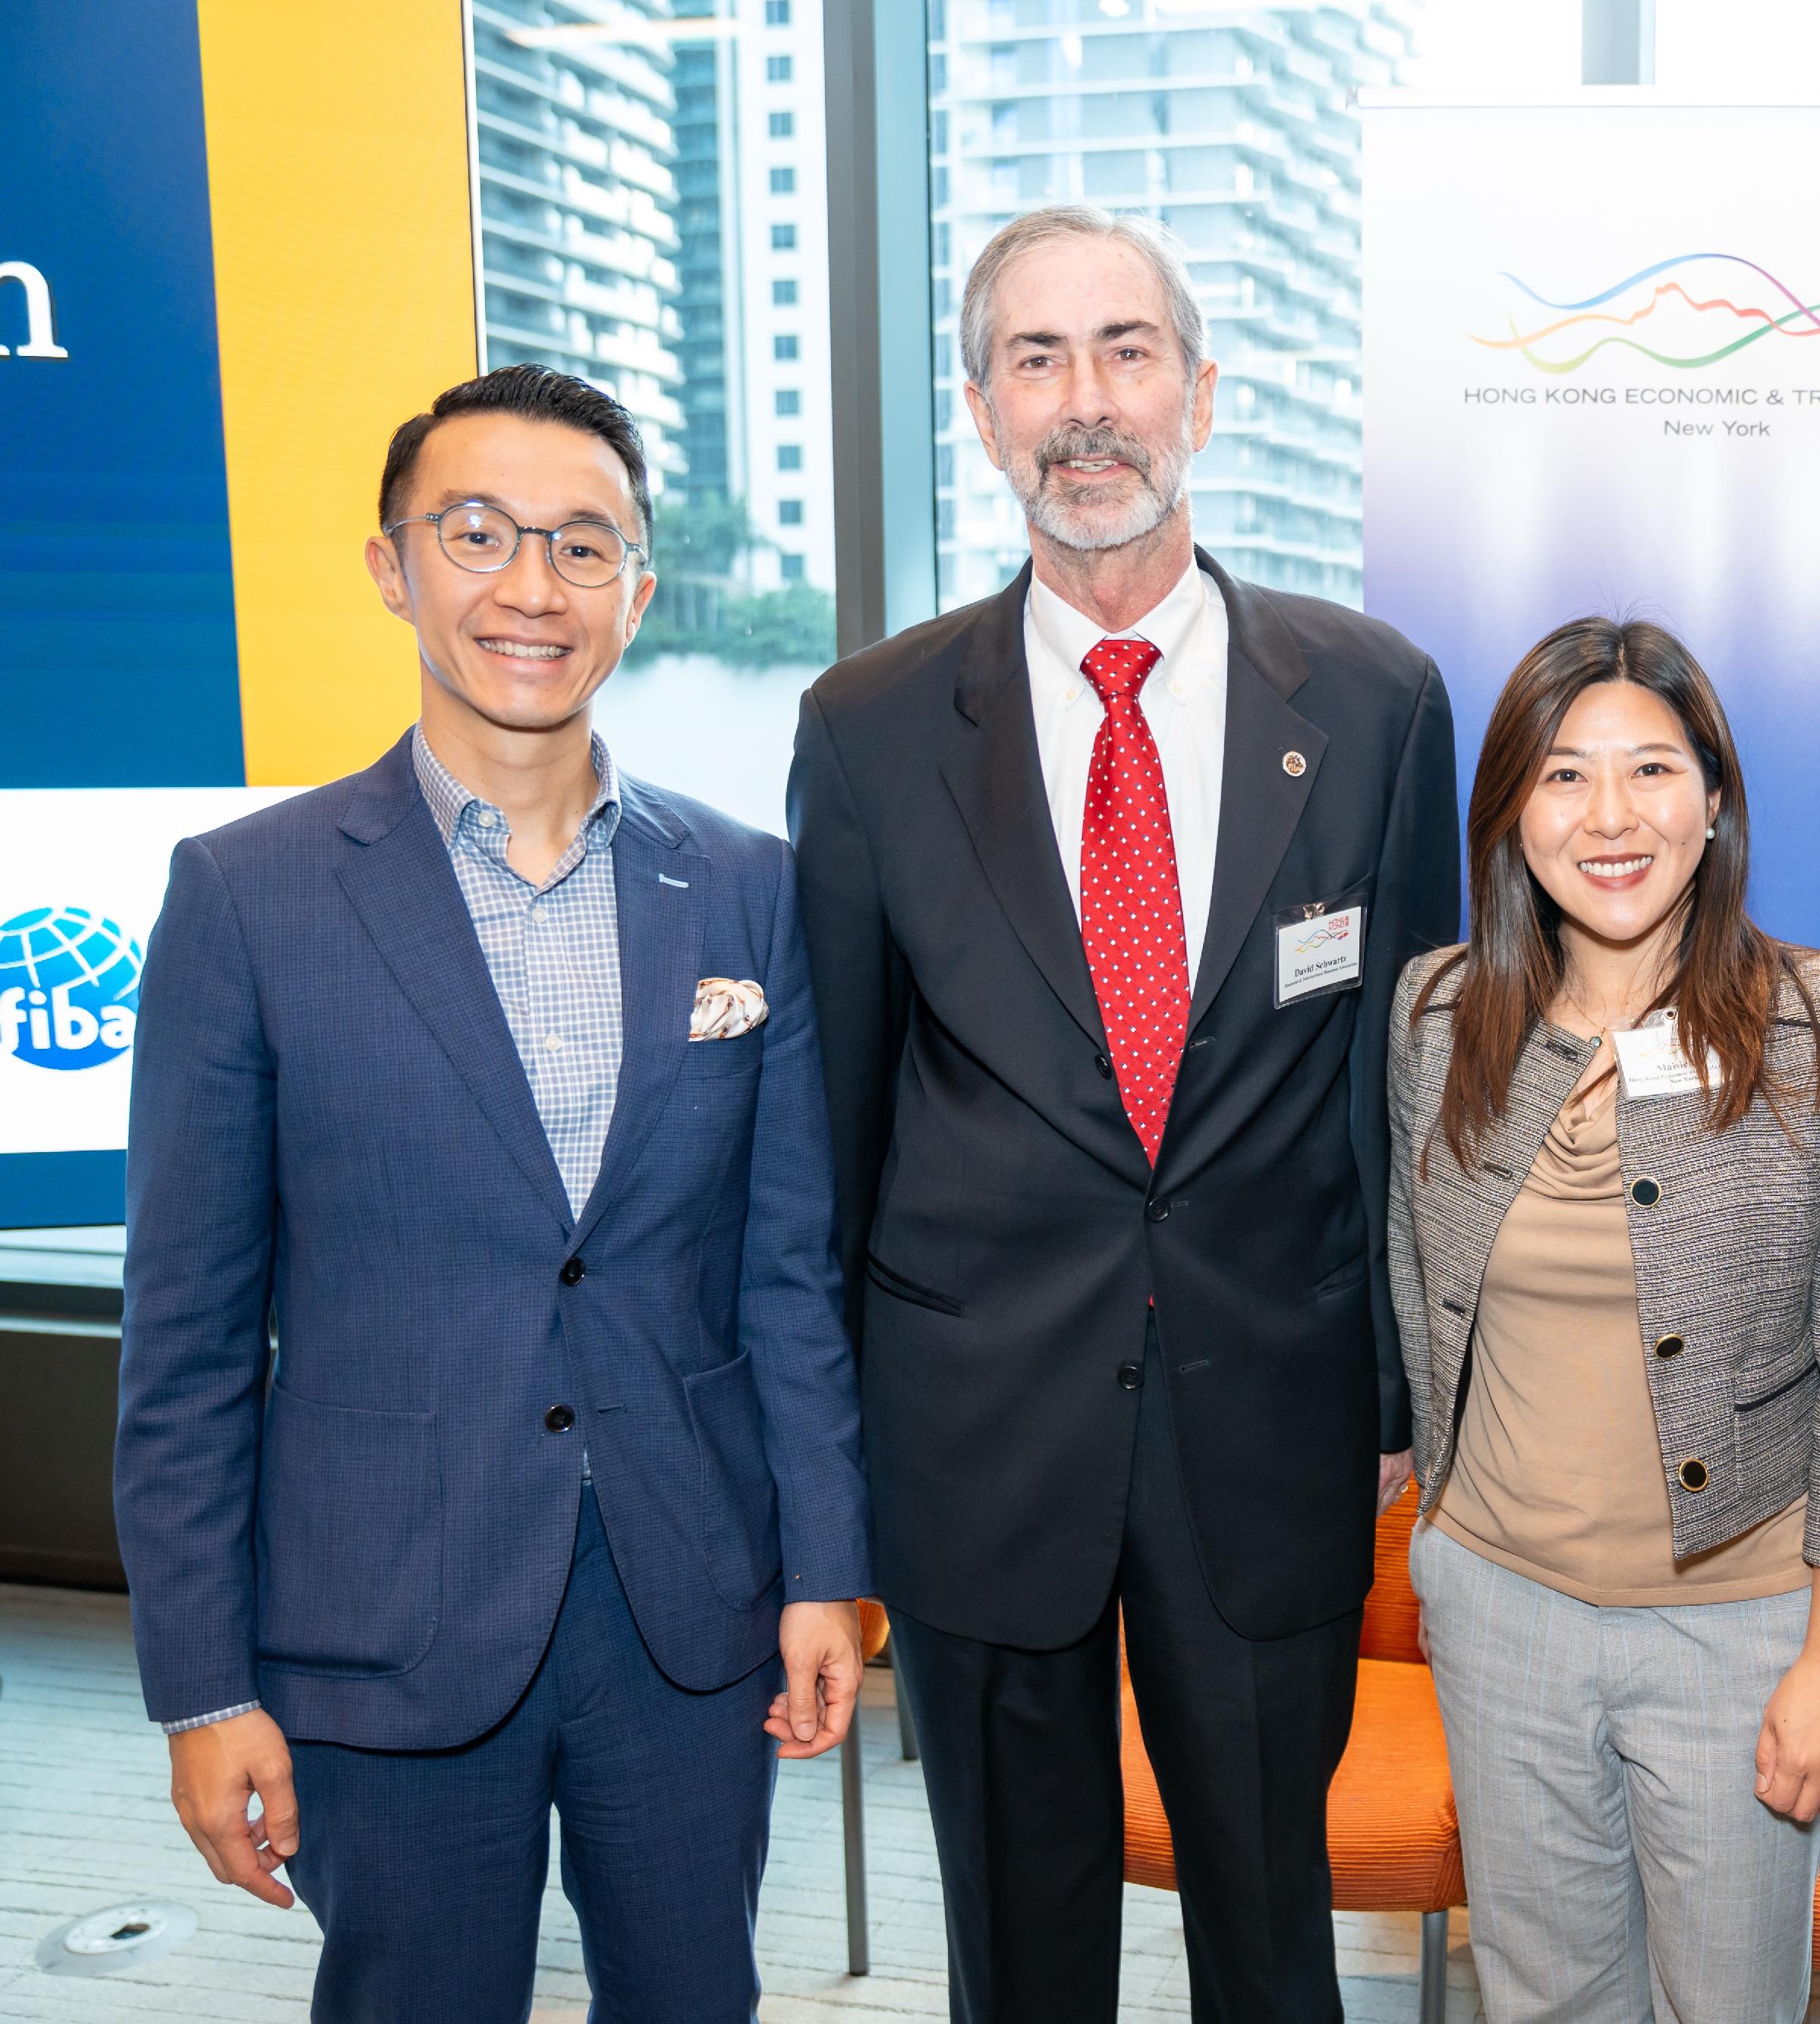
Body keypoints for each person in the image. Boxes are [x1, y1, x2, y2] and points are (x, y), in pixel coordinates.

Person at [113, 364, 873, 2023]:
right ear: (394, 565)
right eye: (479, 534)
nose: (531, 587)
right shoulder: (247, 899)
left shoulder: (744, 886)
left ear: (638, 590)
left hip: (688, 1609)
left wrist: (825, 1564)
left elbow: (785, 1272)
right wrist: (201, 1687)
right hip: (378, 1617)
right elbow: (179, 1342)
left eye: (583, 545)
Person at [786, 204, 1458, 2023]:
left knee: (1271, 1924)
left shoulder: (1380, 702)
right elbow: (834, 1125)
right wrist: (835, 1470)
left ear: (1202, 392)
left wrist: (1394, 1399)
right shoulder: (865, 727)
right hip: (974, 1432)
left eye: (1124, 351)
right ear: (982, 412)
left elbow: (1410, 1096)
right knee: (1019, 1943)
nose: (1086, 404)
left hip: (1271, 1423)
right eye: (1035, 359)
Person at [1385, 617, 1820, 2022]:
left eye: (1652, 770)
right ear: (1513, 813)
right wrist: (1436, 1529)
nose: (1611, 817)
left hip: (1741, 1634)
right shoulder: (1437, 1016)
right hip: (1499, 1613)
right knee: (1545, 2004)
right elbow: (1412, 1265)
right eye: (1565, 777)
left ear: (1715, 799)